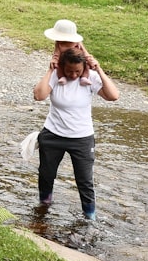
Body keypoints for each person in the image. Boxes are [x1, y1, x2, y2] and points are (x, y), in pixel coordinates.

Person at [32, 47, 119, 221]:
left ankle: (90, 218)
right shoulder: (56, 76)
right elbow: (39, 96)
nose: (73, 75)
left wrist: (99, 70)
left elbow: (113, 96)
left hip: (82, 138)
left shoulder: (90, 78)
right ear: (62, 66)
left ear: (83, 68)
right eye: (69, 71)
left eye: (77, 71)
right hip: (53, 135)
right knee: (46, 176)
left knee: (85, 182)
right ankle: (43, 210)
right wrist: (50, 70)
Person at [44, 18, 97, 86]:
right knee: (59, 67)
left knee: (85, 66)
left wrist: (88, 59)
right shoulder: (58, 44)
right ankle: (62, 77)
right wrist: (55, 59)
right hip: (64, 60)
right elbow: (56, 53)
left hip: (77, 59)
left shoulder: (77, 43)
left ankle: (84, 77)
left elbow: (84, 51)